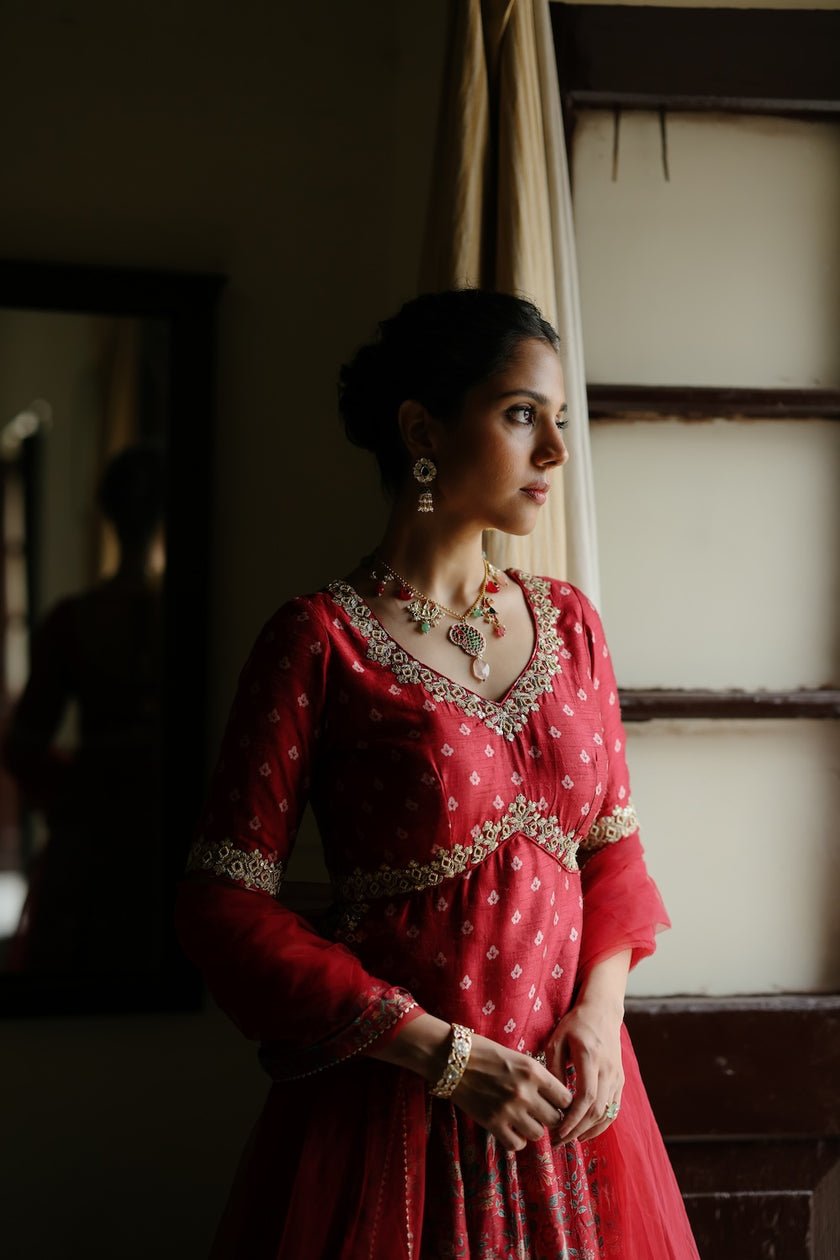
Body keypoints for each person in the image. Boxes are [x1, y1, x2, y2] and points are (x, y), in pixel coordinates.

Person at [176, 290, 700, 1259]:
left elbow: (612, 849)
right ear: (422, 428)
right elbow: (223, 907)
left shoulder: (572, 626)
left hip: (569, 1117)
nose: (555, 452)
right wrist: (444, 1056)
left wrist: (600, 1013)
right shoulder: (320, 643)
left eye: (561, 423)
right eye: (520, 415)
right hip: (394, 1126)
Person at [5, 443, 165, 972]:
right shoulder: (170, 617)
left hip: (97, 825)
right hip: (149, 823)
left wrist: (77, 789)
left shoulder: (74, 619)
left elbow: (24, 745)